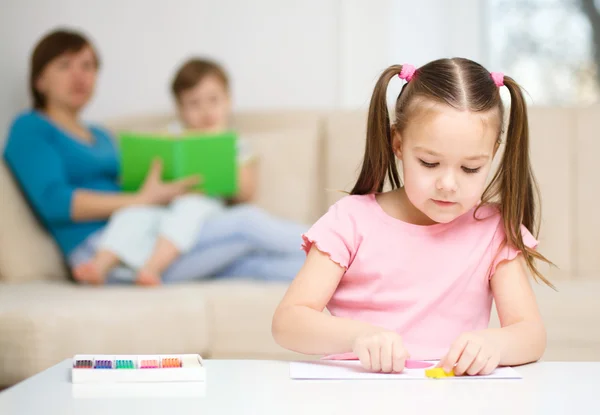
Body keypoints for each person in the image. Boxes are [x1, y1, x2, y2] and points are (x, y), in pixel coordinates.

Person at [272, 59, 553, 377]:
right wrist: (357, 336)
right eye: (430, 162)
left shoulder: (494, 230)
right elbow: (288, 322)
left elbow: (531, 334)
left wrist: (496, 344)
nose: (448, 184)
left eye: (470, 168)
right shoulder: (350, 221)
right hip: (357, 396)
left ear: (494, 152)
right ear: (398, 143)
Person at [3, 28, 307, 286]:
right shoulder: (30, 127)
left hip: (151, 228)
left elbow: (137, 186)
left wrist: (155, 194)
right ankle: (339, 242)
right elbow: (55, 202)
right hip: (106, 248)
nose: (80, 75)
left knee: (249, 266)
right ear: (39, 79)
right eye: (65, 65)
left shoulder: (102, 135)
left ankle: (347, 276)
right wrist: (142, 200)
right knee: (246, 224)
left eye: (88, 65)